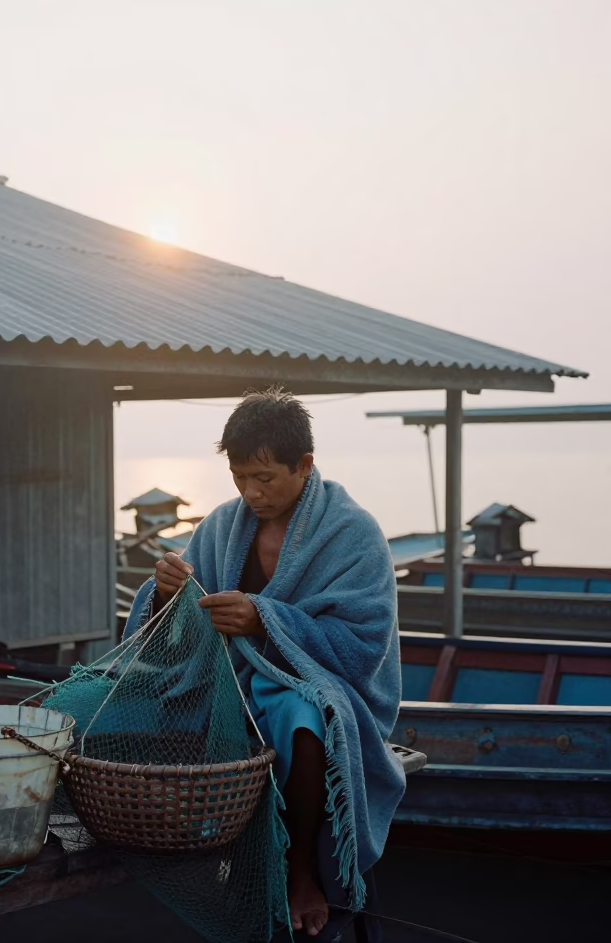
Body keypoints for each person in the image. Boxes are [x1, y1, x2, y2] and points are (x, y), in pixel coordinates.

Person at [124, 387, 405, 938]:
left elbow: (363, 644)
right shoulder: (225, 526)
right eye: (238, 477)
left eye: (265, 478)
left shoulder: (353, 533)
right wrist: (163, 593)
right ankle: (206, 845)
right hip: (227, 684)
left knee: (300, 721)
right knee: (129, 717)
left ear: (304, 465)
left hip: (320, 688)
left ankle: (300, 868)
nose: (251, 493)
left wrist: (265, 619)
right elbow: (167, 635)